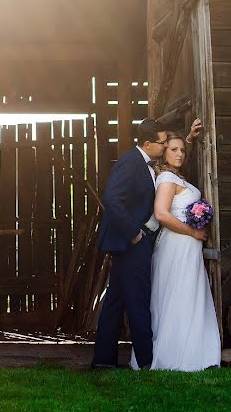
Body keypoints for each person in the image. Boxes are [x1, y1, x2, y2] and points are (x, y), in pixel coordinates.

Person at [131, 122, 222, 372]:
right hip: (177, 245)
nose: (180, 154)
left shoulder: (176, 175)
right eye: (174, 149)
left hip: (186, 247)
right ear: (164, 152)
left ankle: (193, 350)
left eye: (182, 150)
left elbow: (182, 154)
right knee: (176, 295)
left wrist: (190, 138)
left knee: (186, 294)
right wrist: (193, 230)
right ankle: (172, 356)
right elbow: (161, 214)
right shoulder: (167, 178)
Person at [91, 119, 168, 370]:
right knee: (137, 299)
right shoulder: (130, 161)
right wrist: (133, 232)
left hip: (129, 244)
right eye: (163, 143)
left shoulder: (145, 162)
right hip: (131, 244)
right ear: (147, 143)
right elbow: (112, 199)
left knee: (116, 300)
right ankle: (146, 362)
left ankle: (103, 360)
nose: (166, 146)